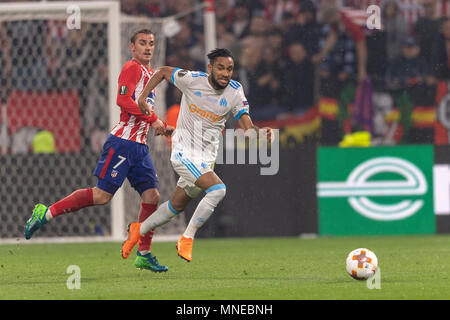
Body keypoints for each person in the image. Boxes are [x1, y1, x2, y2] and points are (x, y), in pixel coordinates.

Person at [24, 29, 174, 272]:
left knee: (152, 196)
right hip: (122, 143)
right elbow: (123, 101)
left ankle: (144, 253)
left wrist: (160, 125)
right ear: (132, 47)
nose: (148, 47)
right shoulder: (132, 67)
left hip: (140, 147)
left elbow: (142, 110)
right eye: (143, 43)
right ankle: (46, 213)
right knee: (102, 196)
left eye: (151, 44)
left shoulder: (150, 74)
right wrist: (155, 120)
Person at [121, 48, 273, 262]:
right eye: (220, 68)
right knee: (218, 190)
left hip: (205, 159)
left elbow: (247, 129)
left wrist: (260, 132)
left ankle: (137, 230)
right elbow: (163, 71)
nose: (225, 73)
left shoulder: (235, 91)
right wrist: (143, 97)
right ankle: (187, 238)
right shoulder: (192, 80)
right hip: (184, 152)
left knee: (175, 207)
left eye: (229, 69)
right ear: (210, 68)